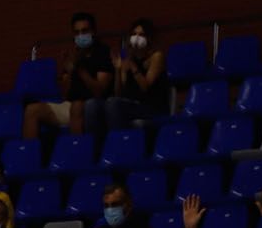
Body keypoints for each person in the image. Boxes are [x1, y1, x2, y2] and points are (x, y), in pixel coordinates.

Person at [24, 10, 116, 138]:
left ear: (93, 32)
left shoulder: (103, 53)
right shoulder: (74, 54)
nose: (80, 36)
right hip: (71, 104)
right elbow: (67, 94)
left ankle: (76, 152)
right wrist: (68, 74)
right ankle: (29, 155)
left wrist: (80, 70)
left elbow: (99, 91)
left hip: (93, 105)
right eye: (77, 32)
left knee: (77, 106)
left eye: (84, 31)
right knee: (32, 110)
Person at [107, 18, 170, 129]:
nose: (137, 38)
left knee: (114, 105)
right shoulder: (128, 58)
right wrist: (118, 69)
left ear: (149, 38)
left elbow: (145, 87)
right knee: (109, 103)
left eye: (141, 35)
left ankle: (119, 140)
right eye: (134, 34)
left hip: (151, 106)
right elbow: (118, 93)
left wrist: (132, 65)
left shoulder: (156, 57)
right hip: (131, 104)